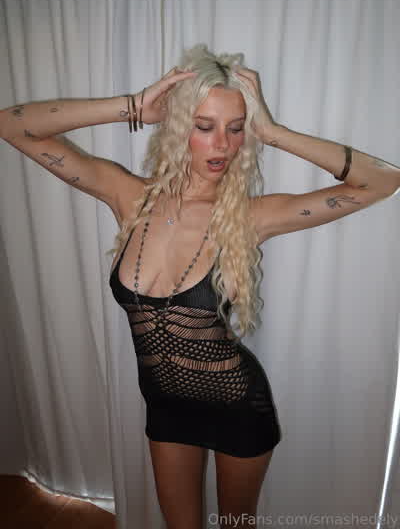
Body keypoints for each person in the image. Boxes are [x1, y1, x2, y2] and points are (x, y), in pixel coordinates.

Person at [1, 43, 399, 529]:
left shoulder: (251, 216)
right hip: (166, 408)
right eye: (204, 126)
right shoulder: (129, 197)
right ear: (177, 128)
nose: (223, 145)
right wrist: (133, 106)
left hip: (237, 404)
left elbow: (383, 181)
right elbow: (11, 125)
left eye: (236, 128)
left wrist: (274, 132)